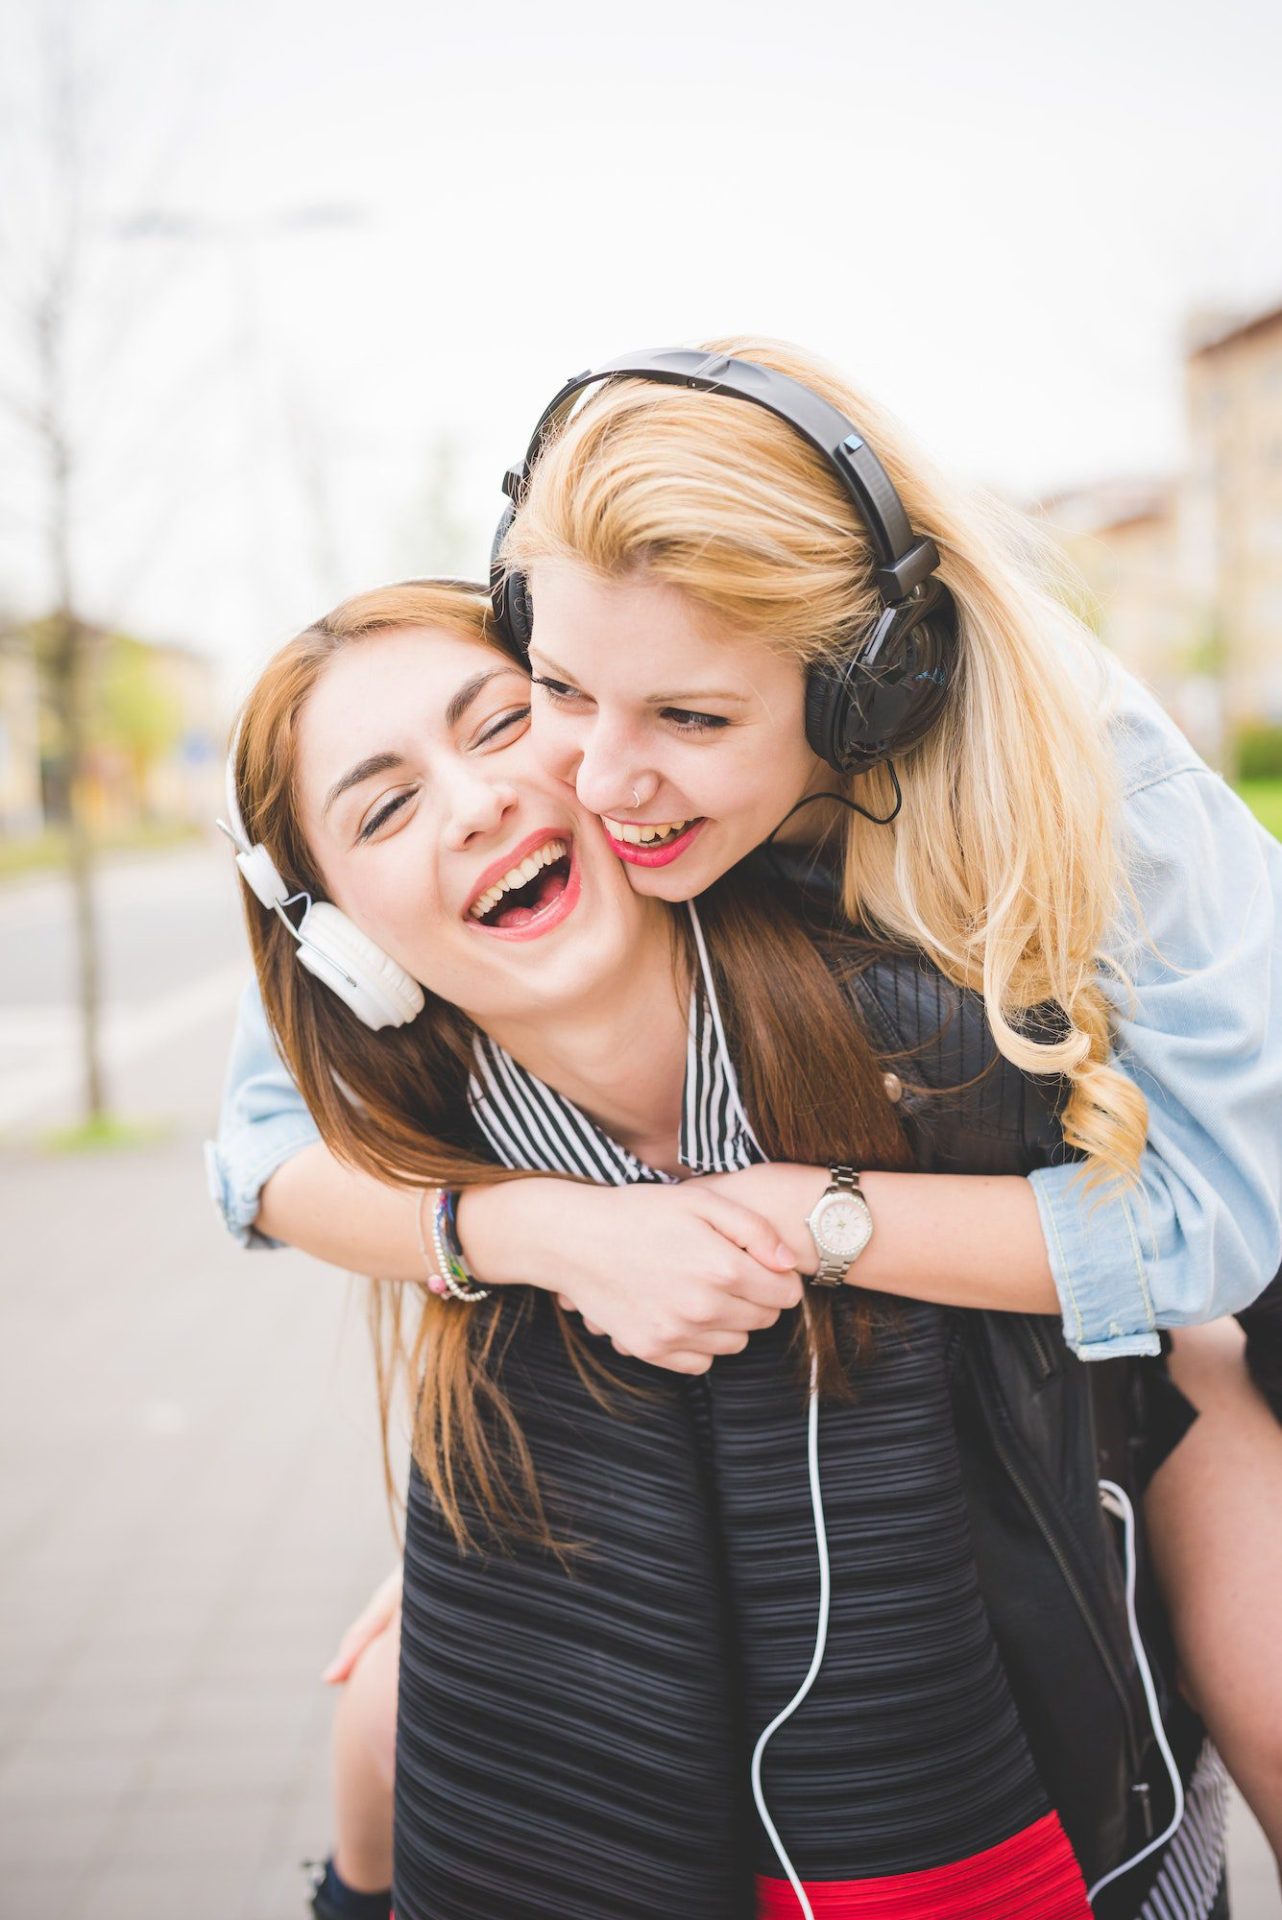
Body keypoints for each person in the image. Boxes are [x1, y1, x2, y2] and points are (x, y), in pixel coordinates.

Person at [210, 342, 1282, 1887]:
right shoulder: (572, 652)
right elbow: (257, 1142)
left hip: (1143, 1306)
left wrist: (797, 1215)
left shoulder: (1103, 798)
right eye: (558, 693)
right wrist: (552, 1233)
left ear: (862, 692)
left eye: (689, 723)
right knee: (389, 1711)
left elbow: (1213, 1226)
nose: (598, 773)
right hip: (753, 1393)